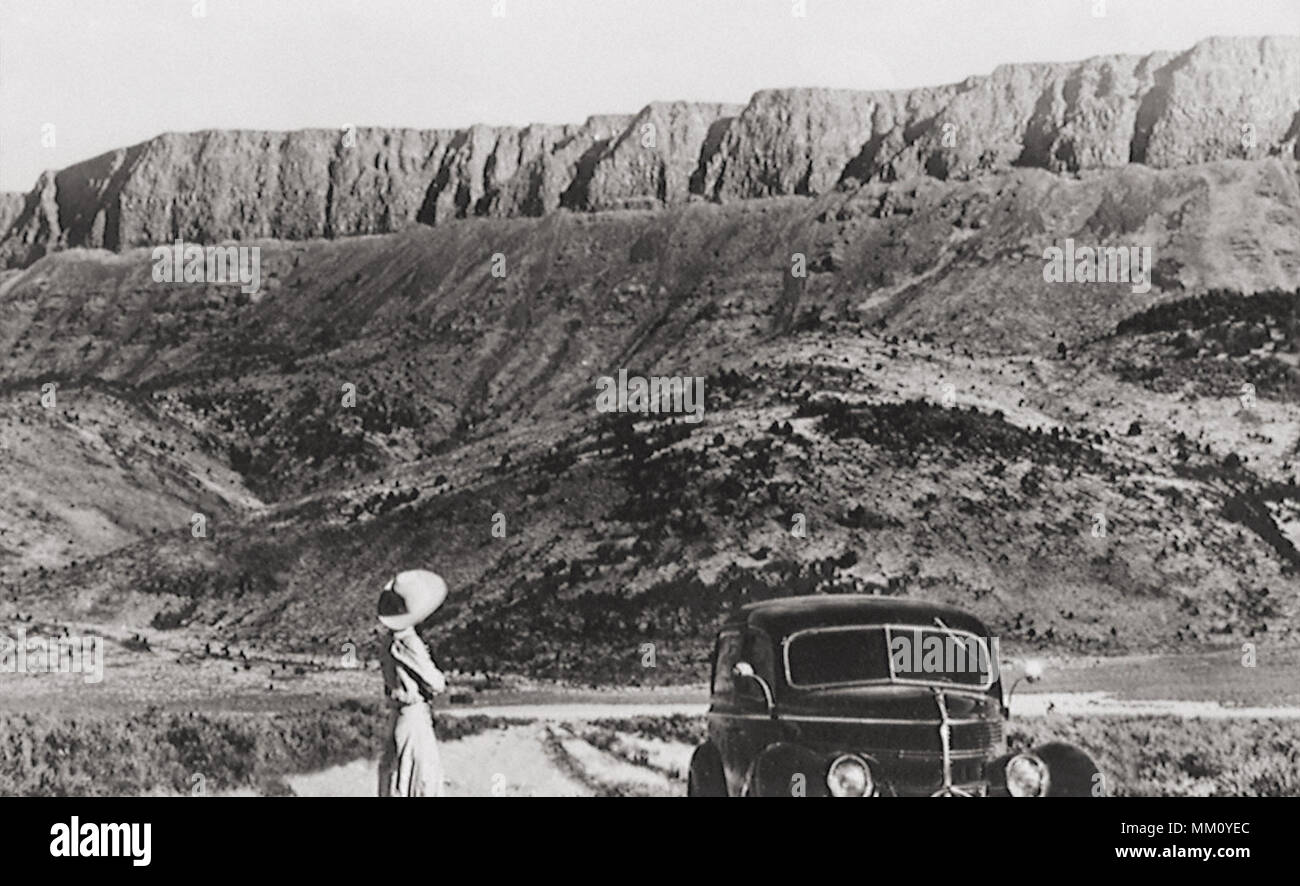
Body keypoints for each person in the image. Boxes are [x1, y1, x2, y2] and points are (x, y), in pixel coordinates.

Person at [376, 569, 449, 797]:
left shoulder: (388, 641)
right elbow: (436, 683)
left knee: (398, 778)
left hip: (398, 717)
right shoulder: (409, 642)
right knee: (421, 781)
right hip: (415, 718)